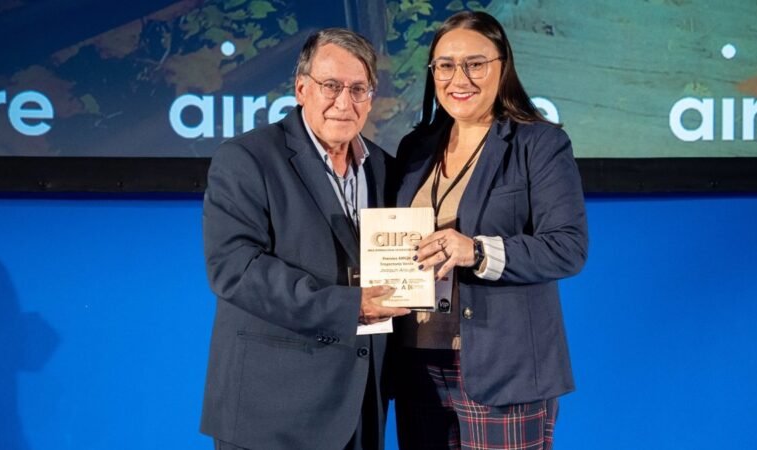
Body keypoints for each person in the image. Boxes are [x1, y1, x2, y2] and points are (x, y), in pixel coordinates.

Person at [200, 28, 410, 450]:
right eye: (331, 86)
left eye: (358, 89)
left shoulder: (383, 167)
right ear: (301, 88)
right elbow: (235, 269)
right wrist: (353, 306)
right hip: (274, 410)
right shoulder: (246, 158)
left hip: (359, 404)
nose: (344, 102)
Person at [389, 11, 588, 450]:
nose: (458, 78)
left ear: (503, 66)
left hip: (503, 366)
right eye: (445, 65)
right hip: (418, 361)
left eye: (475, 64)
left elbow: (568, 248)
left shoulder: (538, 143)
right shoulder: (416, 147)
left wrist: (477, 251)